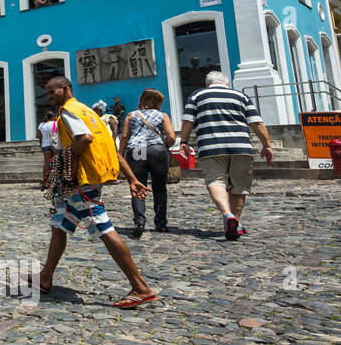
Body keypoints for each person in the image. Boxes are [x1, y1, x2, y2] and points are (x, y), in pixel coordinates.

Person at [36, 76, 156, 308]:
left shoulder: (68, 111)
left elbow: (85, 139)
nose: (49, 96)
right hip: (84, 179)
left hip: (81, 180)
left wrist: (61, 160)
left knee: (103, 227)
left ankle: (141, 287)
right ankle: (45, 277)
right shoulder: (90, 113)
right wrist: (132, 179)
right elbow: (111, 148)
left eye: (52, 92)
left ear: (66, 89)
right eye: (47, 93)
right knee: (59, 223)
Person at [179, 70, 272, 241]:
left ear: (207, 84)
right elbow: (256, 122)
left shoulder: (197, 95)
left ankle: (227, 214)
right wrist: (267, 145)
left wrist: (183, 141)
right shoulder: (240, 96)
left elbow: (188, 121)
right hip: (240, 146)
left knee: (215, 181)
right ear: (227, 84)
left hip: (211, 146)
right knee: (239, 186)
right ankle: (236, 222)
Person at [117, 88, 176, 239]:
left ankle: (139, 221)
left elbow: (124, 137)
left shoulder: (132, 115)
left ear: (142, 99)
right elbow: (171, 137)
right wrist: (163, 147)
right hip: (156, 150)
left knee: (137, 185)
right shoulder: (162, 115)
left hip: (137, 150)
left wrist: (120, 155)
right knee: (159, 188)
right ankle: (161, 223)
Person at [37, 111, 58, 189]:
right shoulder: (55, 123)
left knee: (47, 163)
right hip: (54, 143)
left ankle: (45, 181)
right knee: (56, 163)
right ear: (53, 117)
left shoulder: (41, 125)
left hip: (45, 145)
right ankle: (55, 181)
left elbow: (38, 135)